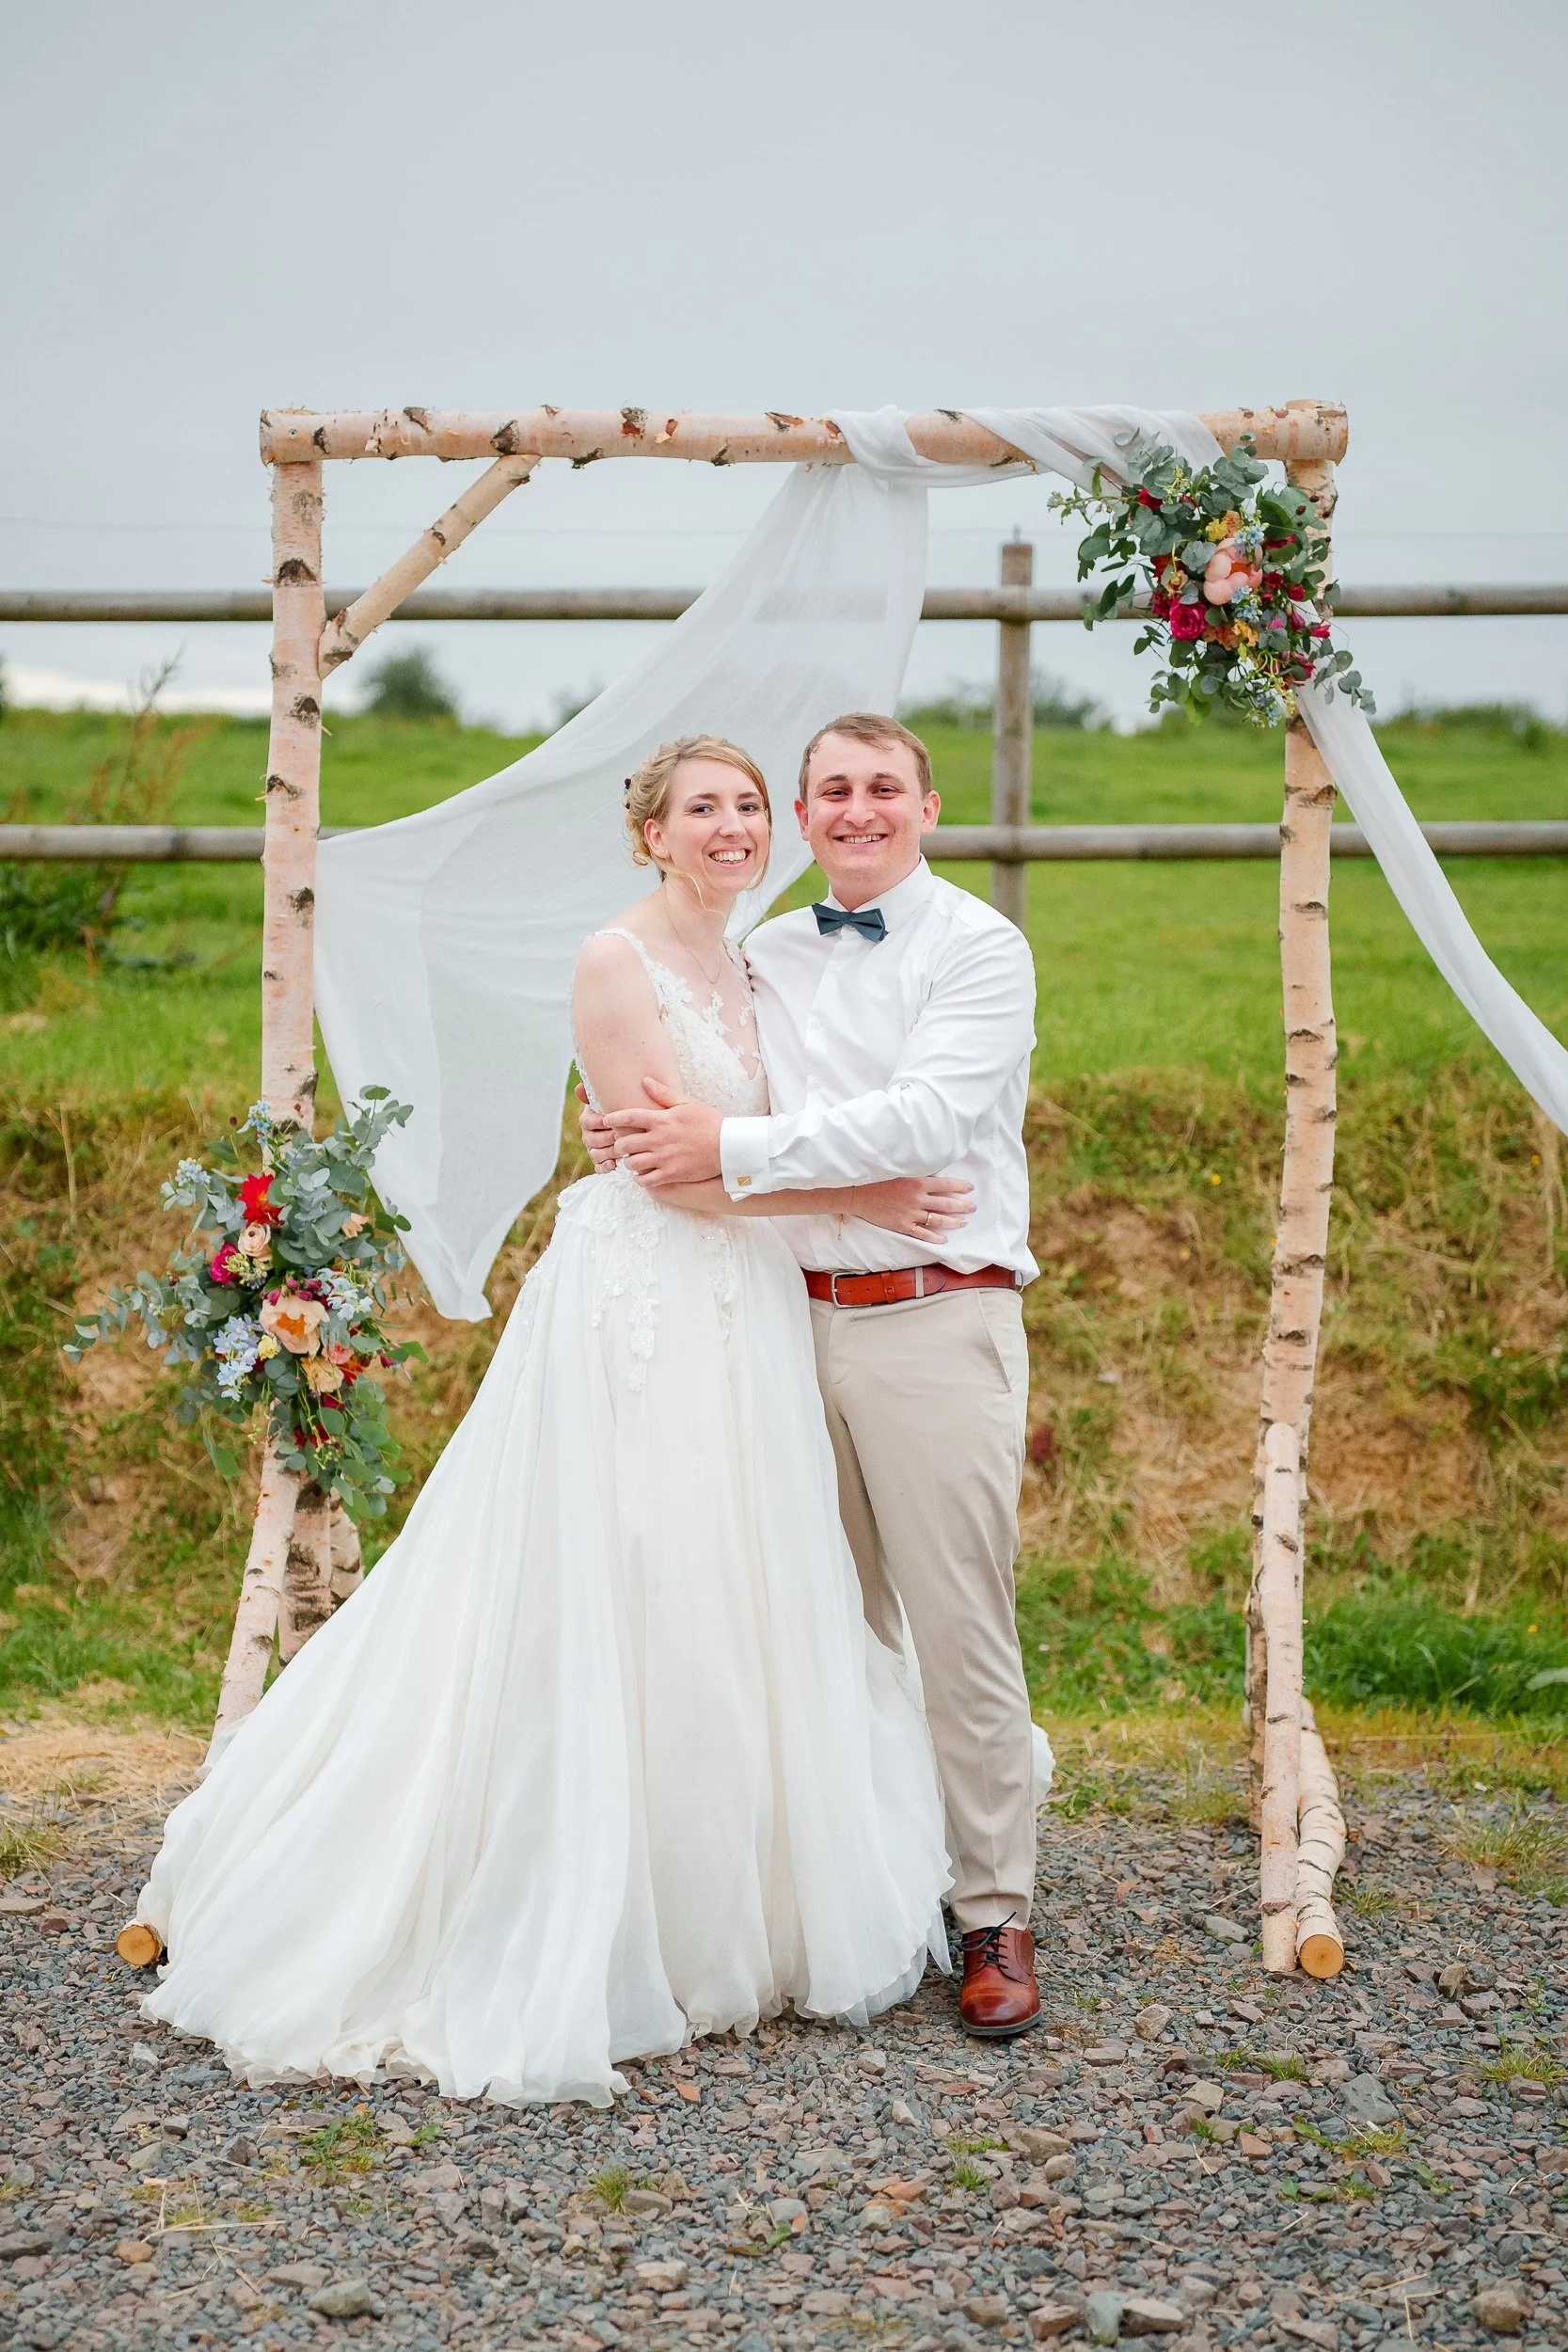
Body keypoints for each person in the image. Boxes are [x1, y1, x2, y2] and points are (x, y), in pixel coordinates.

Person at [128, 735, 971, 2108]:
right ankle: (578, 1894)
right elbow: (671, 1178)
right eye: (702, 810)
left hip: (747, 1304)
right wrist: (862, 1205)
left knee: (745, 1575)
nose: (732, 829)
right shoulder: (615, 963)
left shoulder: (754, 960)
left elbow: (755, 1130)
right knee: (626, 1567)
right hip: (645, 1297)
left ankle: (738, 1891)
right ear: (650, 834)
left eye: (750, 808)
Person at [589, 713, 1043, 2038]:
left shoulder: (978, 947)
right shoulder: (763, 949)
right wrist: (630, 1120)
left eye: (881, 789)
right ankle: (865, 1891)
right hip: (777, 1317)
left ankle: (993, 1915)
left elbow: (924, 1123)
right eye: (833, 790)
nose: (857, 810)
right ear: (805, 813)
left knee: (959, 1627)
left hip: (931, 1316)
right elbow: (676, 1074)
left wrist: (722, 1136)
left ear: (926, 805)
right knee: (815, 1623)